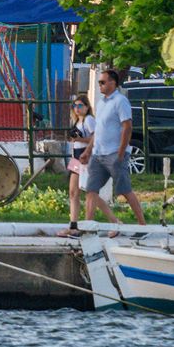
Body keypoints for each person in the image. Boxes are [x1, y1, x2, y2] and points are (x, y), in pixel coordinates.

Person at [82, 68, 146, 226]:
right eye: (99, 83)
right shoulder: (101, 103)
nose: (100, 85)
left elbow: (127, 127)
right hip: (98, 155)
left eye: (103, 82)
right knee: (91, 190)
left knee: (124, 189)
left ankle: (142, 225)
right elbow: (98, 130)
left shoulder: (120, 101)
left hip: (114, 154)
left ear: (113, 82)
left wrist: (121, 152)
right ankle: (88, 226)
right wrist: (88, 150)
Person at [57, 92, 94, 237]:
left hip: (85, 156)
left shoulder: (89, 120)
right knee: (73, 192)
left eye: (80, 105)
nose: (77, 108)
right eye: (75, 106)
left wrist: (81, 139)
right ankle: (73, 225)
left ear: (86, 107)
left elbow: (95, 138)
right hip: (76, 157)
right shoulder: (77, 121)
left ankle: (114, 220)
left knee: (90, 193)